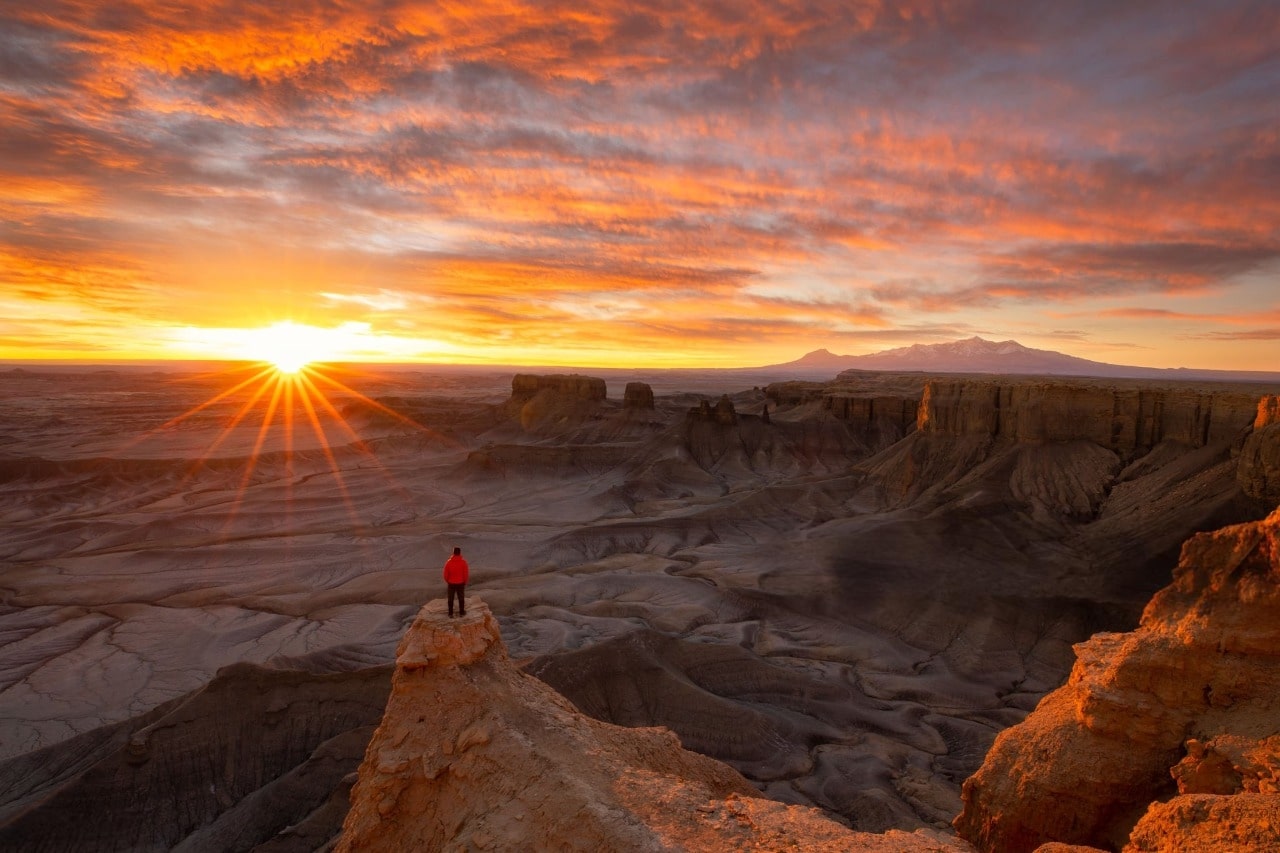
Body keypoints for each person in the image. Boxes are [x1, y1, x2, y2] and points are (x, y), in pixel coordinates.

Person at [443, 546, 469, 617]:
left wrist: (448, 581)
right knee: (461, 597)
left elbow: (445, 574)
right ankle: (461, 612)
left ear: (453, 552)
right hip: (461, 583)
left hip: (451, 583)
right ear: (460, 553)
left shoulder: (449, 562)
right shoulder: (463, 562)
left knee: (450, 598)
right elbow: (466, 574)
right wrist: (465, 582)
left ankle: (450, 613)